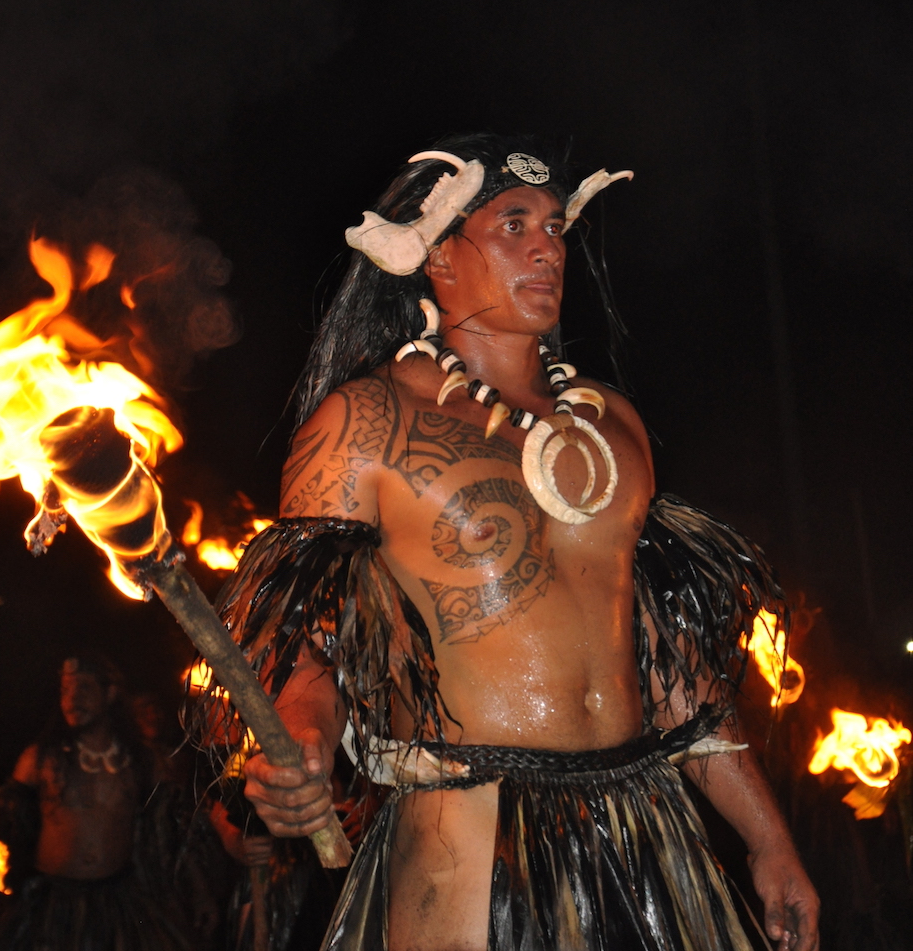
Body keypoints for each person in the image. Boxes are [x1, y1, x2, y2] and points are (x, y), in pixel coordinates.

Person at [197, 134, 820, 950]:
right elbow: (314, 637)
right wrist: (304, 736)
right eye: (514, 225)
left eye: (556, 227)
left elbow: (666, 658)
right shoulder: (366, 421)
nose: (547, 248)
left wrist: (768, 838)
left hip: (641, 829)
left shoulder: (613, 424)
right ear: (436, 255)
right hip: (468, 836)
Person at [0, 655, 193, 951]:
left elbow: (175, 833)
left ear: (110, 694)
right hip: (52, 904)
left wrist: (200, 894)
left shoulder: (142, 761)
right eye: (66, 690)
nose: (73, 699)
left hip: (118, 901)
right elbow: (3, 814)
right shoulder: (40, 758)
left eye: (85, 688)